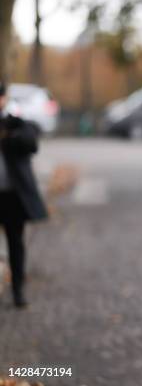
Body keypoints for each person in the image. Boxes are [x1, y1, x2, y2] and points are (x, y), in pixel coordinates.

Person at [0, 81, 48, 308]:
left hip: (11, 195)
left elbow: (31, 143)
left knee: (15, 243)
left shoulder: (16, 121)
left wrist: (10, 133)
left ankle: (18, 289)